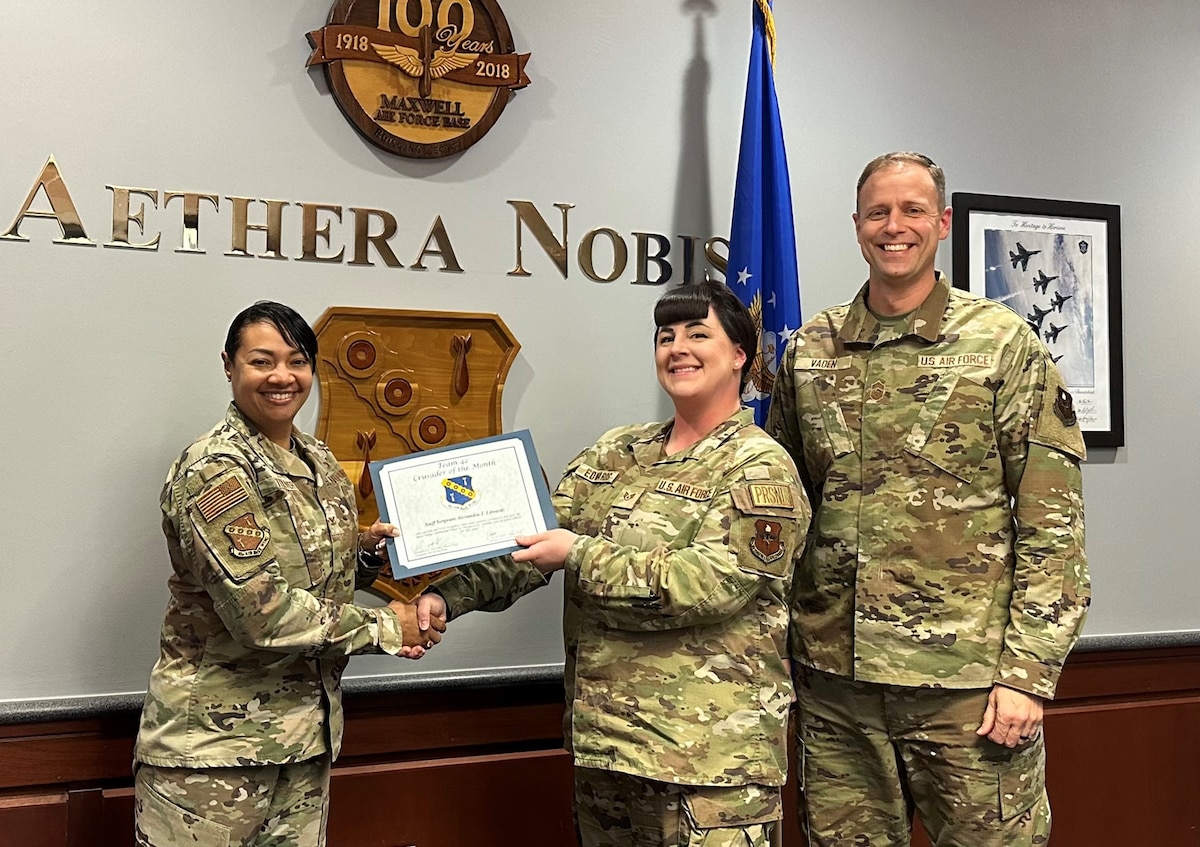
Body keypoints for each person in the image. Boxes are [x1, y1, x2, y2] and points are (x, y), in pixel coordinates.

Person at [766, 152, 1090, 846]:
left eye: (912, 210)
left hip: (966, 690)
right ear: (857, 226)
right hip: (836, 687)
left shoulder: (1001, 346)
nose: (894, 226)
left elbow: (1052, 527)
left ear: (941, 223)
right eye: (879, 212)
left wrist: (1028, 676)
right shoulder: (811, 349)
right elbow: (784, 512)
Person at [417, 280, 810, 847]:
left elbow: (709, 583)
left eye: (699, 335)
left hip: (706, 763)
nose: (678, 348)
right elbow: (531, 543)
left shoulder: (759, 467)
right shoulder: (616, 451)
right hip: (605, 750)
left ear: (739, 357)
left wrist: (576, 554)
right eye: (665, 335)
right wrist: (443, 598)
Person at [133, 301, 446, 847]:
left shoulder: (319, 461)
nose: (282, 376)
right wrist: (390, 628)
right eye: (262, 361)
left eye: (297, 361)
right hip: (212, 755)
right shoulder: (217, 469)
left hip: (305, 740)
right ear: (229, 367)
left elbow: (317, 577)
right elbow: (264, 613)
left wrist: (368, 554)